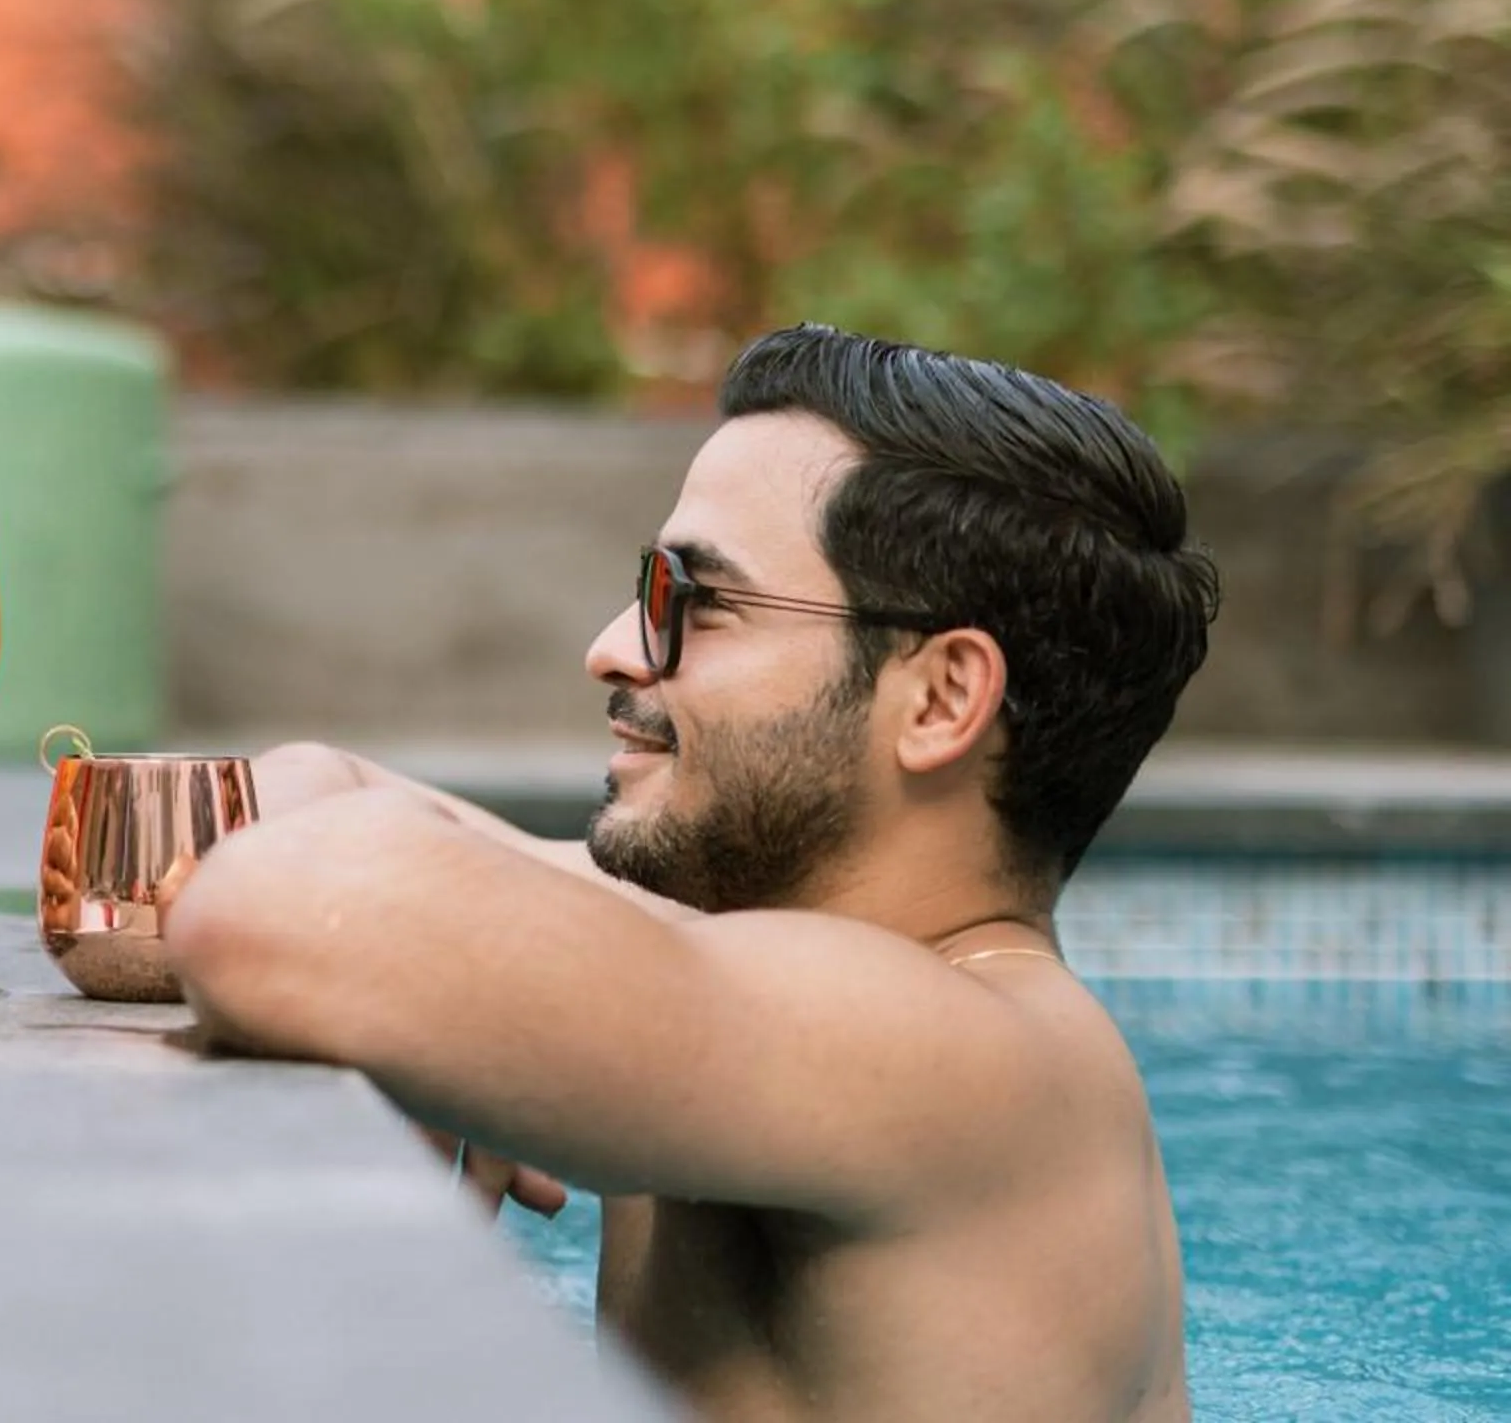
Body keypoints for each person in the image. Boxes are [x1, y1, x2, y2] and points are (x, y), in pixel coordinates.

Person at [164, 326, 1220, 1422]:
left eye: (697, 600)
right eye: (646, 585)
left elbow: (267, 908)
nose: (617, 645)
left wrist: (402, 991)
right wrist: (424, 998)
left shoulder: (959, 1053)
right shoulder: (736, 961)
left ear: (943, 697)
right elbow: (288, 794)